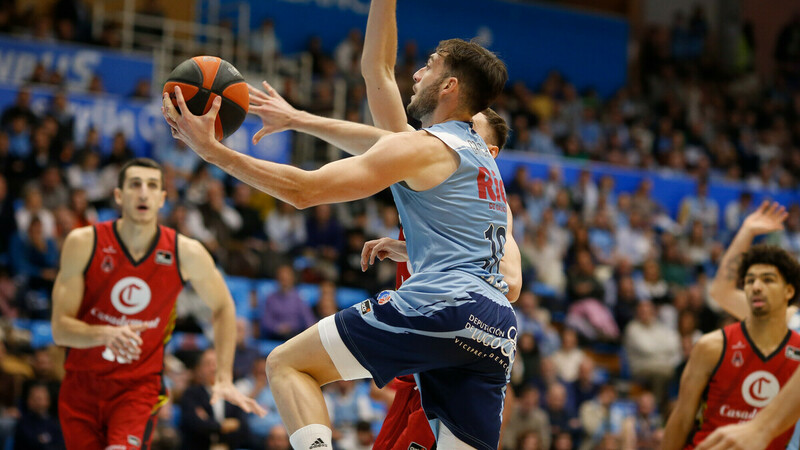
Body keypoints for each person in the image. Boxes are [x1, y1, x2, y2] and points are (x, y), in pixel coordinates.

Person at [164, 34, 511, 450]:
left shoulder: (427, 148)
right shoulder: (484, 163)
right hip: (496, 328)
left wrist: (213, 151)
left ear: (450, 85)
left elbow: (304, 191)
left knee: (288, 364)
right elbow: (376, 129)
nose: (417, 74)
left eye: (431, 64)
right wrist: (300, 120)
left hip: (445, 304)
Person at [51, 158, 264, 450]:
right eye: (134, 185)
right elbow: (60, 330)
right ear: (118, 195)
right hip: (81, 386)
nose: (143, 193)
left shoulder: (185, 252)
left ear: (163, 198)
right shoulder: (84, 242)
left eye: (152, 186)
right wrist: (106, 333)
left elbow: (224, 306)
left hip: (137, 390)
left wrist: (224, 377)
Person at [661, 236, 800, 448]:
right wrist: (747, 230)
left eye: (768, 280)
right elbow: (681, 419)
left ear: (789, 291)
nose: (756, 287)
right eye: (750, 280)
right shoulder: (713, 346)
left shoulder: (795, 340)